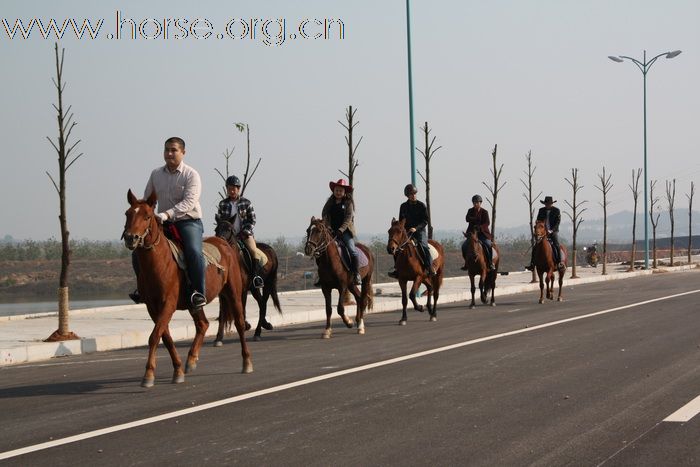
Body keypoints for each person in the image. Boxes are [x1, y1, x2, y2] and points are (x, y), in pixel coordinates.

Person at [129, 137, 207, 309]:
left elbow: (189, 202)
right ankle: (143, 289)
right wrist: (139, 209)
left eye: (173, 150)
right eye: (166, 150)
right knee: (138, 251)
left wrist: (165, 214)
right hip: (162, 222)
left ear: (183, 152)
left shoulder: (191, 174)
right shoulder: (156, 174)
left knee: (194, 252)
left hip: (188, 221)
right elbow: (149, 199)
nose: (169, 153)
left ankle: (198, 293)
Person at [215, 175, 265, 288]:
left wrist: (245, 232)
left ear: (239, 189)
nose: (232, 191)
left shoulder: (246, 203)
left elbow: (252, 220)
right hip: (227, 236)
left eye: (234, 188)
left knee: (253, 251)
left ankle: (256, 277)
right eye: (229, 188)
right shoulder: (223, 204)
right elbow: (221, 221)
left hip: (245, 235)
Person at [388, 184, 433, 278]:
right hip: (407, 232)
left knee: (424, 246)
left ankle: (429, 268)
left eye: (414, 193)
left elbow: (425, 221)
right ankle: (397, 269)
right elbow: (402, 220)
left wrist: (416, 228)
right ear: (407, 196)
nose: (413, 195)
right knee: (397, 247)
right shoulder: (403, 206)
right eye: (411, 194)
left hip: (419, 231)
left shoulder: (421, 205)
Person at [321, 179, 361, 285]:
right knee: (321, 250)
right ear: (334, 191)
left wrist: (341, 229)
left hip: (345, 231)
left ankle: (356, 274)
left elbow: (348, 218)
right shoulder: (330, 202)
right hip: (331, 231)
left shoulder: (348, 203)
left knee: (352, 250)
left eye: (340, 191)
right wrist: (328, 226)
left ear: (344, 192)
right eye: (336, 190)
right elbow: (324, 214)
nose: (338, 192)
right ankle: (321, 276)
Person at [526, 195, 564, 271]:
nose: (547, 205)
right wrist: (539, 231)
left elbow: (557, 222)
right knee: (535, 246)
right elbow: (538, 221)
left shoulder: (556, 211)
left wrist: (552, 230)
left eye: (549, 204)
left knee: (556, 245)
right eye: (546, 204)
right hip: (542, 232)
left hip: (552, 231)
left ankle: (559, 263)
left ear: (551, 204)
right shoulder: (541, 210)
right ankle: (532, 264)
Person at [462, 194, 495, 271]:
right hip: (472, 234)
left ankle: (490, 263)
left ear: (480, 203)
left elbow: (487, 222)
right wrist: (475, 219)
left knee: (488, 245)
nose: (475, 204)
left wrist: (480, 227)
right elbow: (467, 218)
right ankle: (466, 263)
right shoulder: (470, 210)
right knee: (464, 246)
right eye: (474, 202)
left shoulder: (484, 212)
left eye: (477, 202)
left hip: (482, 234)